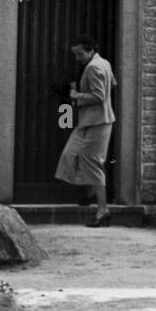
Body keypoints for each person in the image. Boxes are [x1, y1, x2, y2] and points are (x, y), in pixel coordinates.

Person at [54, 35, 116, 227]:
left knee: (93, 164)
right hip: (89, 121)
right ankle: (89, 192)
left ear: (90, 51)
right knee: (70, 154)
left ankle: (102, 210)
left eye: (80, 54)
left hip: (97, 122)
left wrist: (76, 94)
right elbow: (113, 83)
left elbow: (99, 96)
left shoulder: (94, 67)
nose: (77, 58)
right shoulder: (103, 63)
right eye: (75, 54)